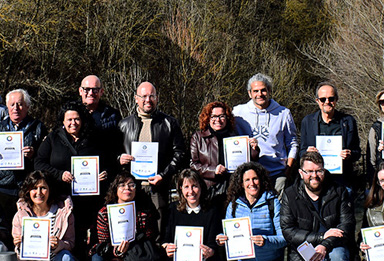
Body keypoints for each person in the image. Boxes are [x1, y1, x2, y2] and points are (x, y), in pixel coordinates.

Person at [35, 101, 109, 261]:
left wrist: (103, 173)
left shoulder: (94, 138)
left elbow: (108, 162)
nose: (73, 123)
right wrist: (59, 174)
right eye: (69, 119)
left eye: (76, 119)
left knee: (90, 240)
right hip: (62, 199)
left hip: (89, 200)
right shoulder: (53, 138)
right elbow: (39, 163)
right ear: (63, 121)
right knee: (69, 237)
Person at [281, 152, 353, 261]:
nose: (314, 175)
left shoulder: (339, 191)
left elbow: (347, 226)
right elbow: (288, 231)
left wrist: (324, 244)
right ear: (301, 173)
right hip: (304, 254)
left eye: (319, 171)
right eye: (309, 171)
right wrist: (320, 237)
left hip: (332, 247)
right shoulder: (290, 194)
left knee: (339, 256)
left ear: (324, 171)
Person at [216, 162, 286, 261]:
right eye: (247, 180)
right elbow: (228, 234)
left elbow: (284, 237)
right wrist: (222, 238)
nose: (252, 183)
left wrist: (266, 241)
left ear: (261, 180)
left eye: (255, 179)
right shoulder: (234, 205)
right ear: (241, 184)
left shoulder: (272, 202)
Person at [118, 82, 185, 233]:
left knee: (159, 229)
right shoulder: (124, 125)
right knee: (131, 230)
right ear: (136, 98)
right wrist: (119, 158)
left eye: (151, 96)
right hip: (131, 187)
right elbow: (113, 153)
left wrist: (163, 175)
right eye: (144, 96)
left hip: (158, 187)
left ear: (157, 98)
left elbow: (180, 153)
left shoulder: (169, 123)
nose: (148, 100)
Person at [91, 171, 162, 261]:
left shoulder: (143, 212)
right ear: (115, 189)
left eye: (131, 185)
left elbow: (148, 238)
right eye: (122, 185)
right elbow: (103, 242)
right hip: (111, 254)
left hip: (135, 254)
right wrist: (117, 253)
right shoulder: (104, 212)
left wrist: (126, 259)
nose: (127, 188)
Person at [11, 171, 76, 261]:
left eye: (43, 188)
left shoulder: (63, 212)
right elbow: (18, 257)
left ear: (50, 190)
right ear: (28, 191)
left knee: (66, 257)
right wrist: (19, 246)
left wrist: (60, 244)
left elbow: (71, 243)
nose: (39, 192)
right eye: (34, 188)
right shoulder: (21, 215)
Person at [161, 169, 223, 261]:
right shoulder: (172, 210)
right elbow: (165, 239)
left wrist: (211, 251)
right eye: (186, 187)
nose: (191, 191)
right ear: (180, 189)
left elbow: (213, 243)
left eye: (194, 186)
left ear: (201, 187)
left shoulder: (211, 211)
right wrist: (166, 247)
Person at [0, 89, 48, 219]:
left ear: (27, 107)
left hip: (29, 189)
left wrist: (33, 155)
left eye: (20, 104)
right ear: (7, 107)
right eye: (12, 104)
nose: (16, 108)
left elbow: (45, 160)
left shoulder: (38, 128)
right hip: (3, 189)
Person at [233, 73, 299, 195]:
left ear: (269, 91)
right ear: (250, 93)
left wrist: (288, 169)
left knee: (278, 206)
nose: (260, 94)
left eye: (263, 90)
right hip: (249, 176)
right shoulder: (238, 112)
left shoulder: (283, 113)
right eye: (256, 91)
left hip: (277, 173)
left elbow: (292, 143)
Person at [190, 101, 259, 213]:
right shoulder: (198, 138)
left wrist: (254, 149)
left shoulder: (236, 137)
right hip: (208, 189)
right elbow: (193, 164)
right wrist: (213, 170)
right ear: (207, 118)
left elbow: (250, 163)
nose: (218, 120)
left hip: (233, 189)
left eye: (222, 116)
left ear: (227, 118)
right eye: (213, 116)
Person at [299, 82, 361, 194]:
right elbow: (301, 151)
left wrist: (349, 154)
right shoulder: (307, 121)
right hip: (316, 179)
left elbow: (357, 152)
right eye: (323, 99)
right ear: (317, 101)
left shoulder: (348, 121)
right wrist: (307, 152)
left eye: (331, 98)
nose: (327, 102)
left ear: (336, 99)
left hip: (342, 180)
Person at [79, 75, 123, 160]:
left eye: (95, 89)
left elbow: (118, 144)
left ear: (101, 92)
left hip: (105, 164)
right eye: (87, 89)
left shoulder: (112, 115)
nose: (91, 93)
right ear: (80, 91)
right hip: (78, 163)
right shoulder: (71, 114)